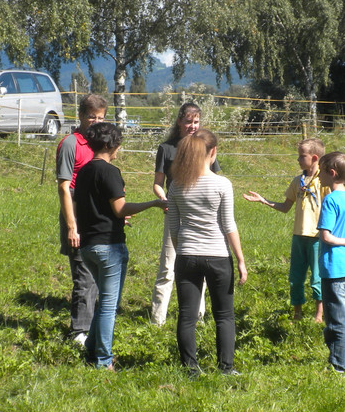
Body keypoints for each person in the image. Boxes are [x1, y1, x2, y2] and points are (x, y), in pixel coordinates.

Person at [74, 122, 167, 369]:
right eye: (118, 144)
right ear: (110, 145)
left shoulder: (83, 171)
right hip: (109, 246)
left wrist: (113, 215)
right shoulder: (110, 172)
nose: (119, 149)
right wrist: (154, 204)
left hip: (88, 246)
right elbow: (120, 208)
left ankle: (91, 350)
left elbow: (90, 206)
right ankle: (103, 361)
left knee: (104, 301)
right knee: (109, 305)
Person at [167, 129, 246, 377]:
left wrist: (183, 251)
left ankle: (191, 369)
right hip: (218, 256)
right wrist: (241, 260)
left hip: (186, 256)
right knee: (224, 315)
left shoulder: (176, 185)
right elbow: (228, 225)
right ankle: (226, 368)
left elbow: (173, 228)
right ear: (213, 152)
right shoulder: (222, 184)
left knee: (187, 316)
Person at [150, 103, 220, 326]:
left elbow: (216, 178)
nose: (192, 126)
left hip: (201, 216)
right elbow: (158, 183)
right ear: (179, 121)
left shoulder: (205, 146)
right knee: (167, 266)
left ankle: (198, 318)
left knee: (200, 265)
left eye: (196, 122)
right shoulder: (166, 148)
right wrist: (164, 200)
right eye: (188, 121)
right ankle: (157, 320)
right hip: (175, 212)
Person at [243, 137, 325, 322]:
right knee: (295, 278)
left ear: (314, 157)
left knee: (317, 278)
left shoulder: (324, 181)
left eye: (301, 156)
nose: (298, 159)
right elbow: (286, 206)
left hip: (317, 237)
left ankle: (319, 315)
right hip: (298, 236)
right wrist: (264, 200)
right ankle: (297, 313)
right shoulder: (298, 181)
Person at [56, 94, 107, 344]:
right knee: (83, 274)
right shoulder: (70, 144)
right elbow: (64, 187)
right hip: (77, 212)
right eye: (91, 117)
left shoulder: (101, 143)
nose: (96, 122)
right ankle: (79, 331)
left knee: (96, 272)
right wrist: (71, 226)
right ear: (80, 116)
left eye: (101, 118)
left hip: (98, 215)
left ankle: (92, 326)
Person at [316, 151, 345, 373]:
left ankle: (338, 364)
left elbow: (325, 236)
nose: (318, 176)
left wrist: (342, 241)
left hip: (334, 268)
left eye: (321, 172)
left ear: (332, 173)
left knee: (336, 318)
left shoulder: (331, 199)